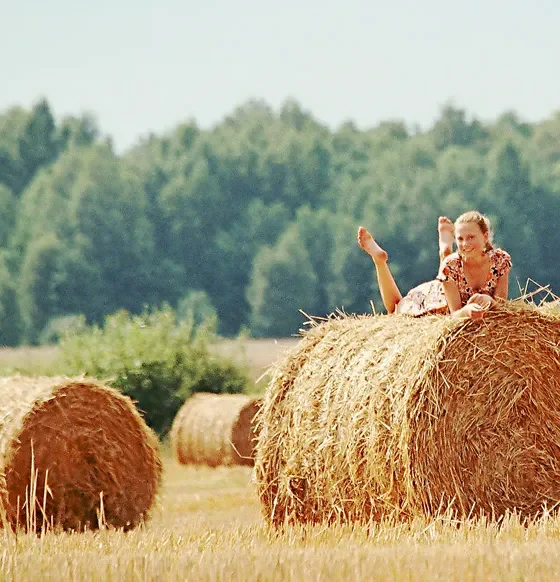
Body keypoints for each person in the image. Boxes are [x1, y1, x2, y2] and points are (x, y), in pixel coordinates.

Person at [357, 211, 512, 319]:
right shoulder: (451, 266)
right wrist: (467, 312)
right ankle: (380, 261)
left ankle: (445, 249)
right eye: (460, 239)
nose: (465, 244)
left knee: (449, 262)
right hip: (439, 299)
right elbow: (454, 315)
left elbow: (501, 304)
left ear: (485, 237)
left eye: (471, 237)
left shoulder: (500, 261)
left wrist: (489, 301)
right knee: (395, 309)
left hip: (450, 278)